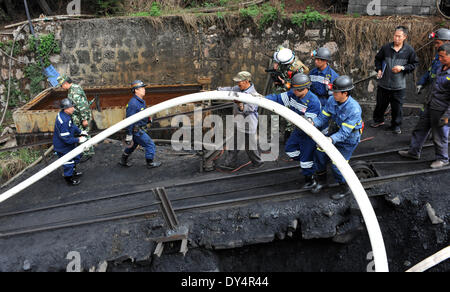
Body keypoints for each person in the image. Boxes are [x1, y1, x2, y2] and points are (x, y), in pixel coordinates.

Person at [311, 76, 363, 200]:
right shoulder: (332, 100)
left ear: (345, 93)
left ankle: (345, 189)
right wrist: (312, 123)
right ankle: (322, 181)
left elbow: (345, 133)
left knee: (337, 165)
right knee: (319, 153)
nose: (333, 93)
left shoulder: (354, 109)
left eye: (336, 92)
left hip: (348, 140)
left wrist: (330, 140)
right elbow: (323, 117)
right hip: (335, 131)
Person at [398, 43, 450, 169]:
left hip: (442, 109)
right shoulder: (440, 68)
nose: (440, 59)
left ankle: (442, 159)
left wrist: (447, 116)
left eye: (443, 57)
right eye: (439, 56)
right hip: (431, 104)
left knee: (439, 135)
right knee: (420, 129)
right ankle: (413, 152)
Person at [265, 74, 321, 189]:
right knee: (290, 150)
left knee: (306, 159)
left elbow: (308, 124)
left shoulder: (313, 102)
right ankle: (312, 163)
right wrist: (260, 98)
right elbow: (277, 99)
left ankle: (310, 180)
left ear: (306, 88)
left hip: (309, 134)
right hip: (298, 130)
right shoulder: (292, 94)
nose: (295, 92)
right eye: (294, 89)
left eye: (298, 90)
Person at [371, 26, 419, 134]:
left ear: (404, 37)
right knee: (380, 104)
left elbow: (414, 64)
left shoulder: (409, 50)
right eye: (395, 36)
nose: (396, 38)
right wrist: (378, 69)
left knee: (397, 107)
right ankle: (378, 120)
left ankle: (396, 126)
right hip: (383, 83)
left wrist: (402, 68)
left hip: (398, 85)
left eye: (399, 36)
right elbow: (378, 59)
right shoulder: (386, 47)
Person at [217, 71, 264, 171]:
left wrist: (240, 105)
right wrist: (218, 90)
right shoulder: (238, 88)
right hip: (238, 122)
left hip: (248, 124)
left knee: (250, 147)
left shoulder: (253, 94)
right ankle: (230, 163)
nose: (238, 84)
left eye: (240, 82)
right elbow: (229, 89)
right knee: (234, 144)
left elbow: (249, 109)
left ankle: (258, 163)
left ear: (246, 81)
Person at [118, 80, 162, 169]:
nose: (144, 90)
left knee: (133, 146)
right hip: (136, 131)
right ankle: (150, 163)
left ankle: (123, 160)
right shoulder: (133, 104)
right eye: (141, 88)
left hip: (139, 129)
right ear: (136, 90)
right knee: (150, 145)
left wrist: (147, 119)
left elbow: (141, 115)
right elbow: (129, 120)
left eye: (143, 88)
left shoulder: (141, 101)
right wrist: (129, 134)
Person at [57, 75, 95, 160]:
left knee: (83, 133)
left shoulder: (74, 91)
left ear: (66, 83)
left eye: (61, 85)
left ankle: (88, 152)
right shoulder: (72, 89)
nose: (61, 87)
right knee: (81, 132)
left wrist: (84, 119)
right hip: (78, 116)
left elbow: (82, 106)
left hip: (82, 116)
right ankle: (86, 150)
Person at [53, 98, 87, 186]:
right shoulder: (63, 121)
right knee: (68, 162)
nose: (74, 109)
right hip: (63, 146)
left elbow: (72, 126)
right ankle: (69, 179)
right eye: (72, 107)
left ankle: (73, 172)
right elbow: (66, 139)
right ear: (66, 108)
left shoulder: (66, 115)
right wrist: (79, 139)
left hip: (68, 144)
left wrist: (80, 132)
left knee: (76, 156)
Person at [416, 28, 450, 94]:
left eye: (438, 43)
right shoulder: (438, 55)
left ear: (447, 42)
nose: (435, 45)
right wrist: (421, 83)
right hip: (433, 93)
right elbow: (430, 70)